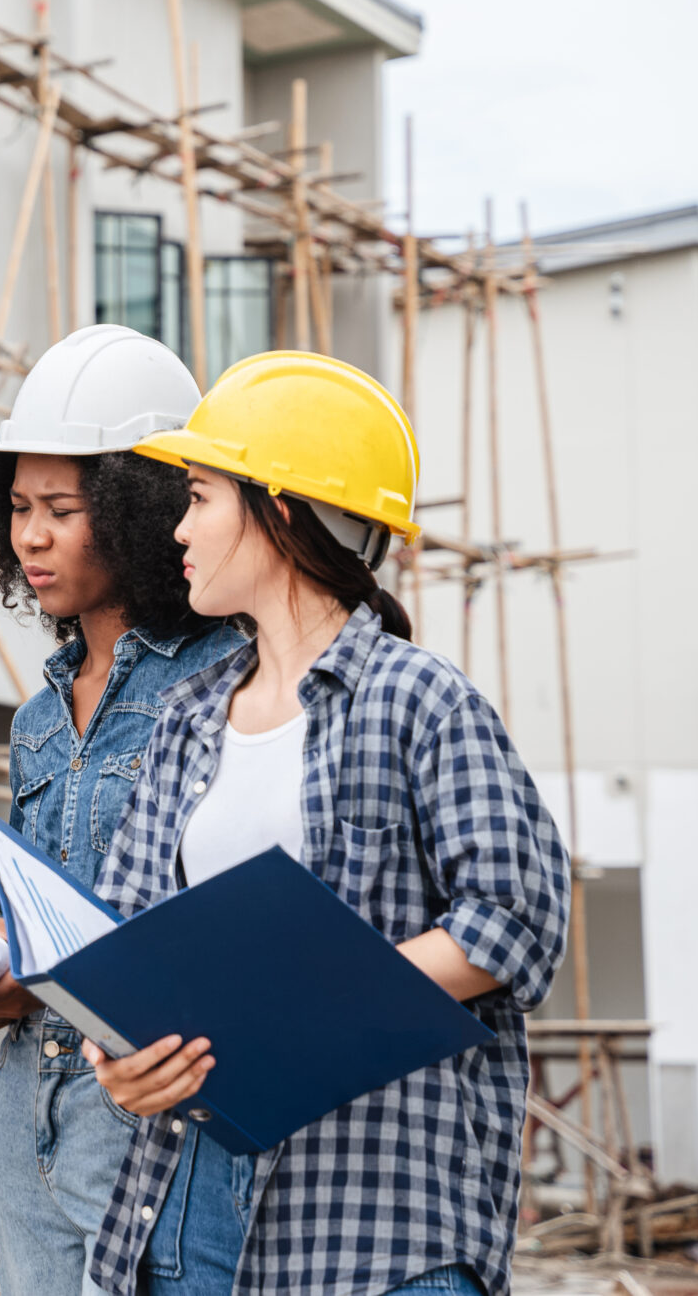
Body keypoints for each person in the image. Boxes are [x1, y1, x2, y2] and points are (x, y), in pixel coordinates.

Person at [82, 351, 569, 1296]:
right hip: (182, 1212)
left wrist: (302, 1014)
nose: (178, 528)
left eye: (199, 496)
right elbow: (122, 943)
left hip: (370, 1220)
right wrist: (118, 1058)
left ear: (281, 508)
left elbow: (515, 918)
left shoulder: (420, 702)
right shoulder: (187, 718)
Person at [0, 325, 248, 1296]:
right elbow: (41, 920)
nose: (30, 535)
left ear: (138, 510)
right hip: (33, 1114)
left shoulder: (227, 686)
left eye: (61, 509)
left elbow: (221, 930)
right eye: (18, 507)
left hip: (156, 1118)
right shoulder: (33, 721)